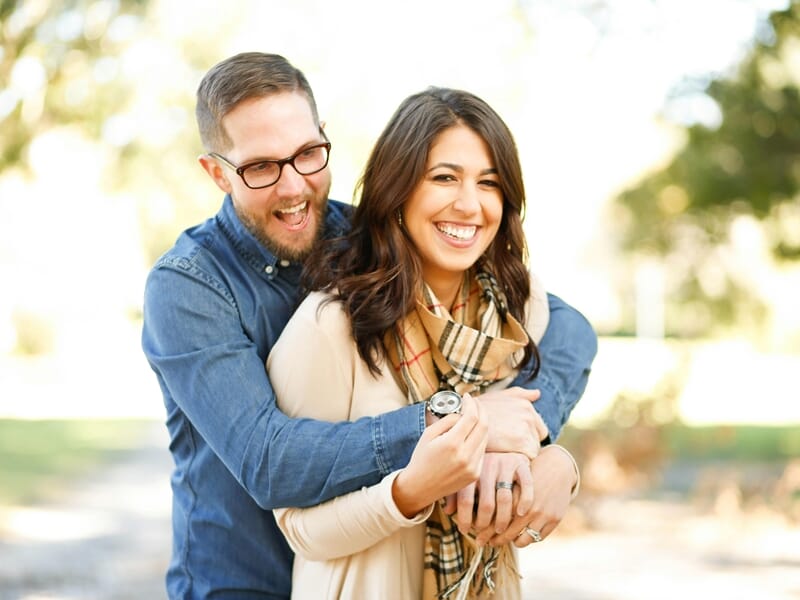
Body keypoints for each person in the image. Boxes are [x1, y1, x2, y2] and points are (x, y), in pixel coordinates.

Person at [141, 52, 597, 599]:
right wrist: (454, 422)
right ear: (217, 172)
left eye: (308, 154)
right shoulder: (189, 286)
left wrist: (529, 439)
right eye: (261, 167)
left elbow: (567, 327)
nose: (293, 188)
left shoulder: (369, 238)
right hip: (240, 582)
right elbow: (270, 460)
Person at [267, 87, 581, 600]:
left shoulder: (515, 310)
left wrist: (558, 465)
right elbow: (299, 526)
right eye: (444, 178)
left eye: (489, 183)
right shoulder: (332, 326)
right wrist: (411, 490)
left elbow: (524, 429)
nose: (469, 204)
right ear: (399, 191)